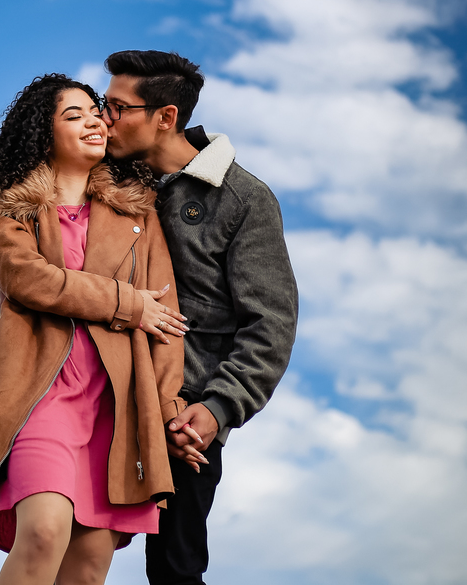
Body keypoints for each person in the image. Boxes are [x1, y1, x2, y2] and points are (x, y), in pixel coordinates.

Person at [0, 73, 191, 585]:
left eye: (95, 111)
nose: (93, 121)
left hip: (120, 403)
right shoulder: (11, 206)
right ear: (45, 135)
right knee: (42, 533)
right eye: (73, 114)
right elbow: (27, 279)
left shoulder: (138, 213)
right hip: (40, 393)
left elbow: (166, 319)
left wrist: (169, 411)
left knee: (87, 570)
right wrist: (125, 303)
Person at [99, 50, 299, 585]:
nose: (103, 118)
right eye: (103, 103)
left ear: (165, 117)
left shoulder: (245, 200)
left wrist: (215, 411)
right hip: (96, 392)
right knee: (66, 551)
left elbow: (269, 326)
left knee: (175, 572)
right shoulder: (93, 178)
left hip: (182, 420)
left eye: (118, 107)